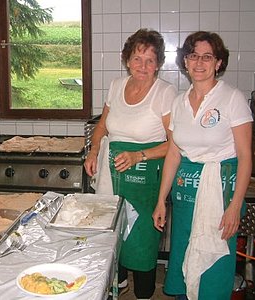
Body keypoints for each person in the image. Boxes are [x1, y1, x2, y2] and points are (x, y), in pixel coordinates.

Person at [153, 31, 253, 299]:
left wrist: (234, 207)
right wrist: (161, 200)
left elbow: (245, 157)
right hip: (186, 195)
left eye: (207, 56)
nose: (199, 62)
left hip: (220, 195)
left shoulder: (232, 99)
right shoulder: (179, 102)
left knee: (213, 264)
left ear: (218, 62)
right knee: (185, 257)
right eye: (193, 55)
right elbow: (174, 153)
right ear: (185, 61)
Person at [84, 29, 177, 299]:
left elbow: (175, 144)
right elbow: (102, 126)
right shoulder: (116, 86)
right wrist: (93, 151)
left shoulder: (165, 93)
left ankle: (145, 292)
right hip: (112, 173)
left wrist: (139, 155)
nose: (143, 66)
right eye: (137, 59)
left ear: (158, 63)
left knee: (142, 236)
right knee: (113, 231)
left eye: (150, 60)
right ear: (127, 60)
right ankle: (118, 282)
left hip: (145, 176)